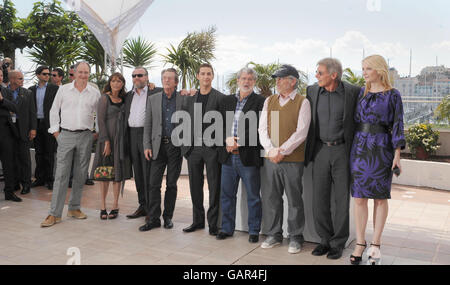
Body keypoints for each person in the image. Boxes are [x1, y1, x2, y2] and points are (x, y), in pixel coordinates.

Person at [349, 55, 405, 265]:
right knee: (359, 198)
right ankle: (360, 243)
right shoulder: (360, 94)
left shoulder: (393, 95)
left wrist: (397, 154)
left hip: (382, 148)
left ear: (380, 70)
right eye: (363, 68)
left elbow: (398, 124)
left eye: (368, 68)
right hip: (359, 148)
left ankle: (376, 244)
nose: (364, 72)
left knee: (380, 198)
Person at [305, 58, 360, 260]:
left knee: (341, 200)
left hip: (342, 151)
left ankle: (338, 243)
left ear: (333, 75)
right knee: (319, 198)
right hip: (319, 150)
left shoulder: (352, 92)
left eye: (320, 73)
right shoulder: (312, 91)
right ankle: (324, 240)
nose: (316, 76)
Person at [258, 64, 311, 254]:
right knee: (272, 198)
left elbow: (301, 132)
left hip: (292, 160)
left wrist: (282, 150)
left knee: (294, 199)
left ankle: (296, 237)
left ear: (293, 81)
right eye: (277, 79)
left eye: (281, 78)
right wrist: (271, 150)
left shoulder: (302, 102)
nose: (277, 82)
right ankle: (274, 235)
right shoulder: (269, 101)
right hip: (271, 158)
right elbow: (262, 129)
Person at [40, 61, 100, 227]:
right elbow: (53, 110)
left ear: (89, 74)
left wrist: (97, 132)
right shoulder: (64, 89)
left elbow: (100, 113)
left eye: (86, 72)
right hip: (65, 135)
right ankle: (54, 214)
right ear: (74, 73)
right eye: (80, 72)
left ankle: (74, 208)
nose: (83, 75)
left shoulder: (94, 93)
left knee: (81, 175)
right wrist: (56, 133)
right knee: (61, 176)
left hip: (86, 136)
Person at [216, 67, 265, 243]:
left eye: (250, 79)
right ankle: (227, 228)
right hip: (228, 156)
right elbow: (219, 124)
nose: (246, 82)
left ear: (254, 82)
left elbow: (260, 128)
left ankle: (254, 231)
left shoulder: (261, 101)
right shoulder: (226, 100)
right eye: (244, 78)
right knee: (227, 194)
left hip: (248, 157)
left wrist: (240, 142)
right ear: (238, 80)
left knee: (253, 196)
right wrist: (226, 140)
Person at [181, 63, 225, 236]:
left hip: (212, 149)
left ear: (213, 76)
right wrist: (186, 148)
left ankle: (213, 224)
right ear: (198, 76)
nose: (206, 77)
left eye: (209, 74)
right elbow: (183, 123)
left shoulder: (220, 98)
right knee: (195, 186)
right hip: (193, 149)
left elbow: (225, 124)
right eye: (203, 74)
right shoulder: (190, 98)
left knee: (214, 187)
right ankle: (197, 221)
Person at [140, 68, 183, 231]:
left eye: (170, 78)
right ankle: (154, 219)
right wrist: (147, 145)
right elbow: (148, 124)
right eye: (164, 78)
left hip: (175, 147)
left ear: (176, 82)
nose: (167, 81)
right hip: (157, 147)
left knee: (171, 184)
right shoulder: (153, 99)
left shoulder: (182, 99)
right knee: (153, 184)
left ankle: (168, 217)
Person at [91, 73, 132, 220]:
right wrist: (106, 141)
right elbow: (100, 121)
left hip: (121, 141)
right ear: (110, 83)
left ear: (122, 84)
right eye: (114, 81)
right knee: (104, 175)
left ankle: (115, 205)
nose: (116, 83)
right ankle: (103, 206)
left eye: (119, 81)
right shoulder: (104, 98)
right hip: (107, 141)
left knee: (117, 174)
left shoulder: (125, 98)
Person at [124, 67, 162, 219]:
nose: (137, 78)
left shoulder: (155, 92)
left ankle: (152, 209)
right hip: (132, 136)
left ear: (147, 77)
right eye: (134, 75)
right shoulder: (128, 96)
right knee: (138, 174)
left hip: (148, 136)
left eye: (140, 75)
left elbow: (172, 92)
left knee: (148, 174)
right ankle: (143, 206)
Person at [29, 66, 59, 190]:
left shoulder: (54, 89)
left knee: (49, 153)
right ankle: (39, 179)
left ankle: (49, 179)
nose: (48, 76)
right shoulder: (31, 90)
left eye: (49, 74)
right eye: (44, 74)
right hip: (36, 124)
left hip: (49, 124)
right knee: (39, 152)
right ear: (37, 75)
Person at [7, 70, 37, 195]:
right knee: (11, 157)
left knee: (24, 158)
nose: (22, 81)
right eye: (20, 78)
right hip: (8, 128)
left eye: (22, 78)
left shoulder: (28, 93)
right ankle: (14, 183)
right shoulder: (3, 92)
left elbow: (32, 112)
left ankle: (26, 184)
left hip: (23, 128)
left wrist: (33, 129)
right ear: (12, 79)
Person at [0, 70, 22, 202]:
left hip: (6, 133)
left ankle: (9, 192)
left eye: (1, 75)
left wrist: (2, 100)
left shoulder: (6, 92)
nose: (0, 77)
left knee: (8, 164)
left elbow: (15, 108)